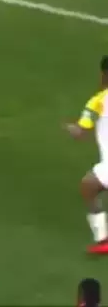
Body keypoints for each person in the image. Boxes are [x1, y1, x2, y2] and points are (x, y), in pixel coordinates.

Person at [64, 55, 108, 254]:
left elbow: (81, 132)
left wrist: (70, 128)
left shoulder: (98, 102)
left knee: (88, 186)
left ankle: (103, 240)